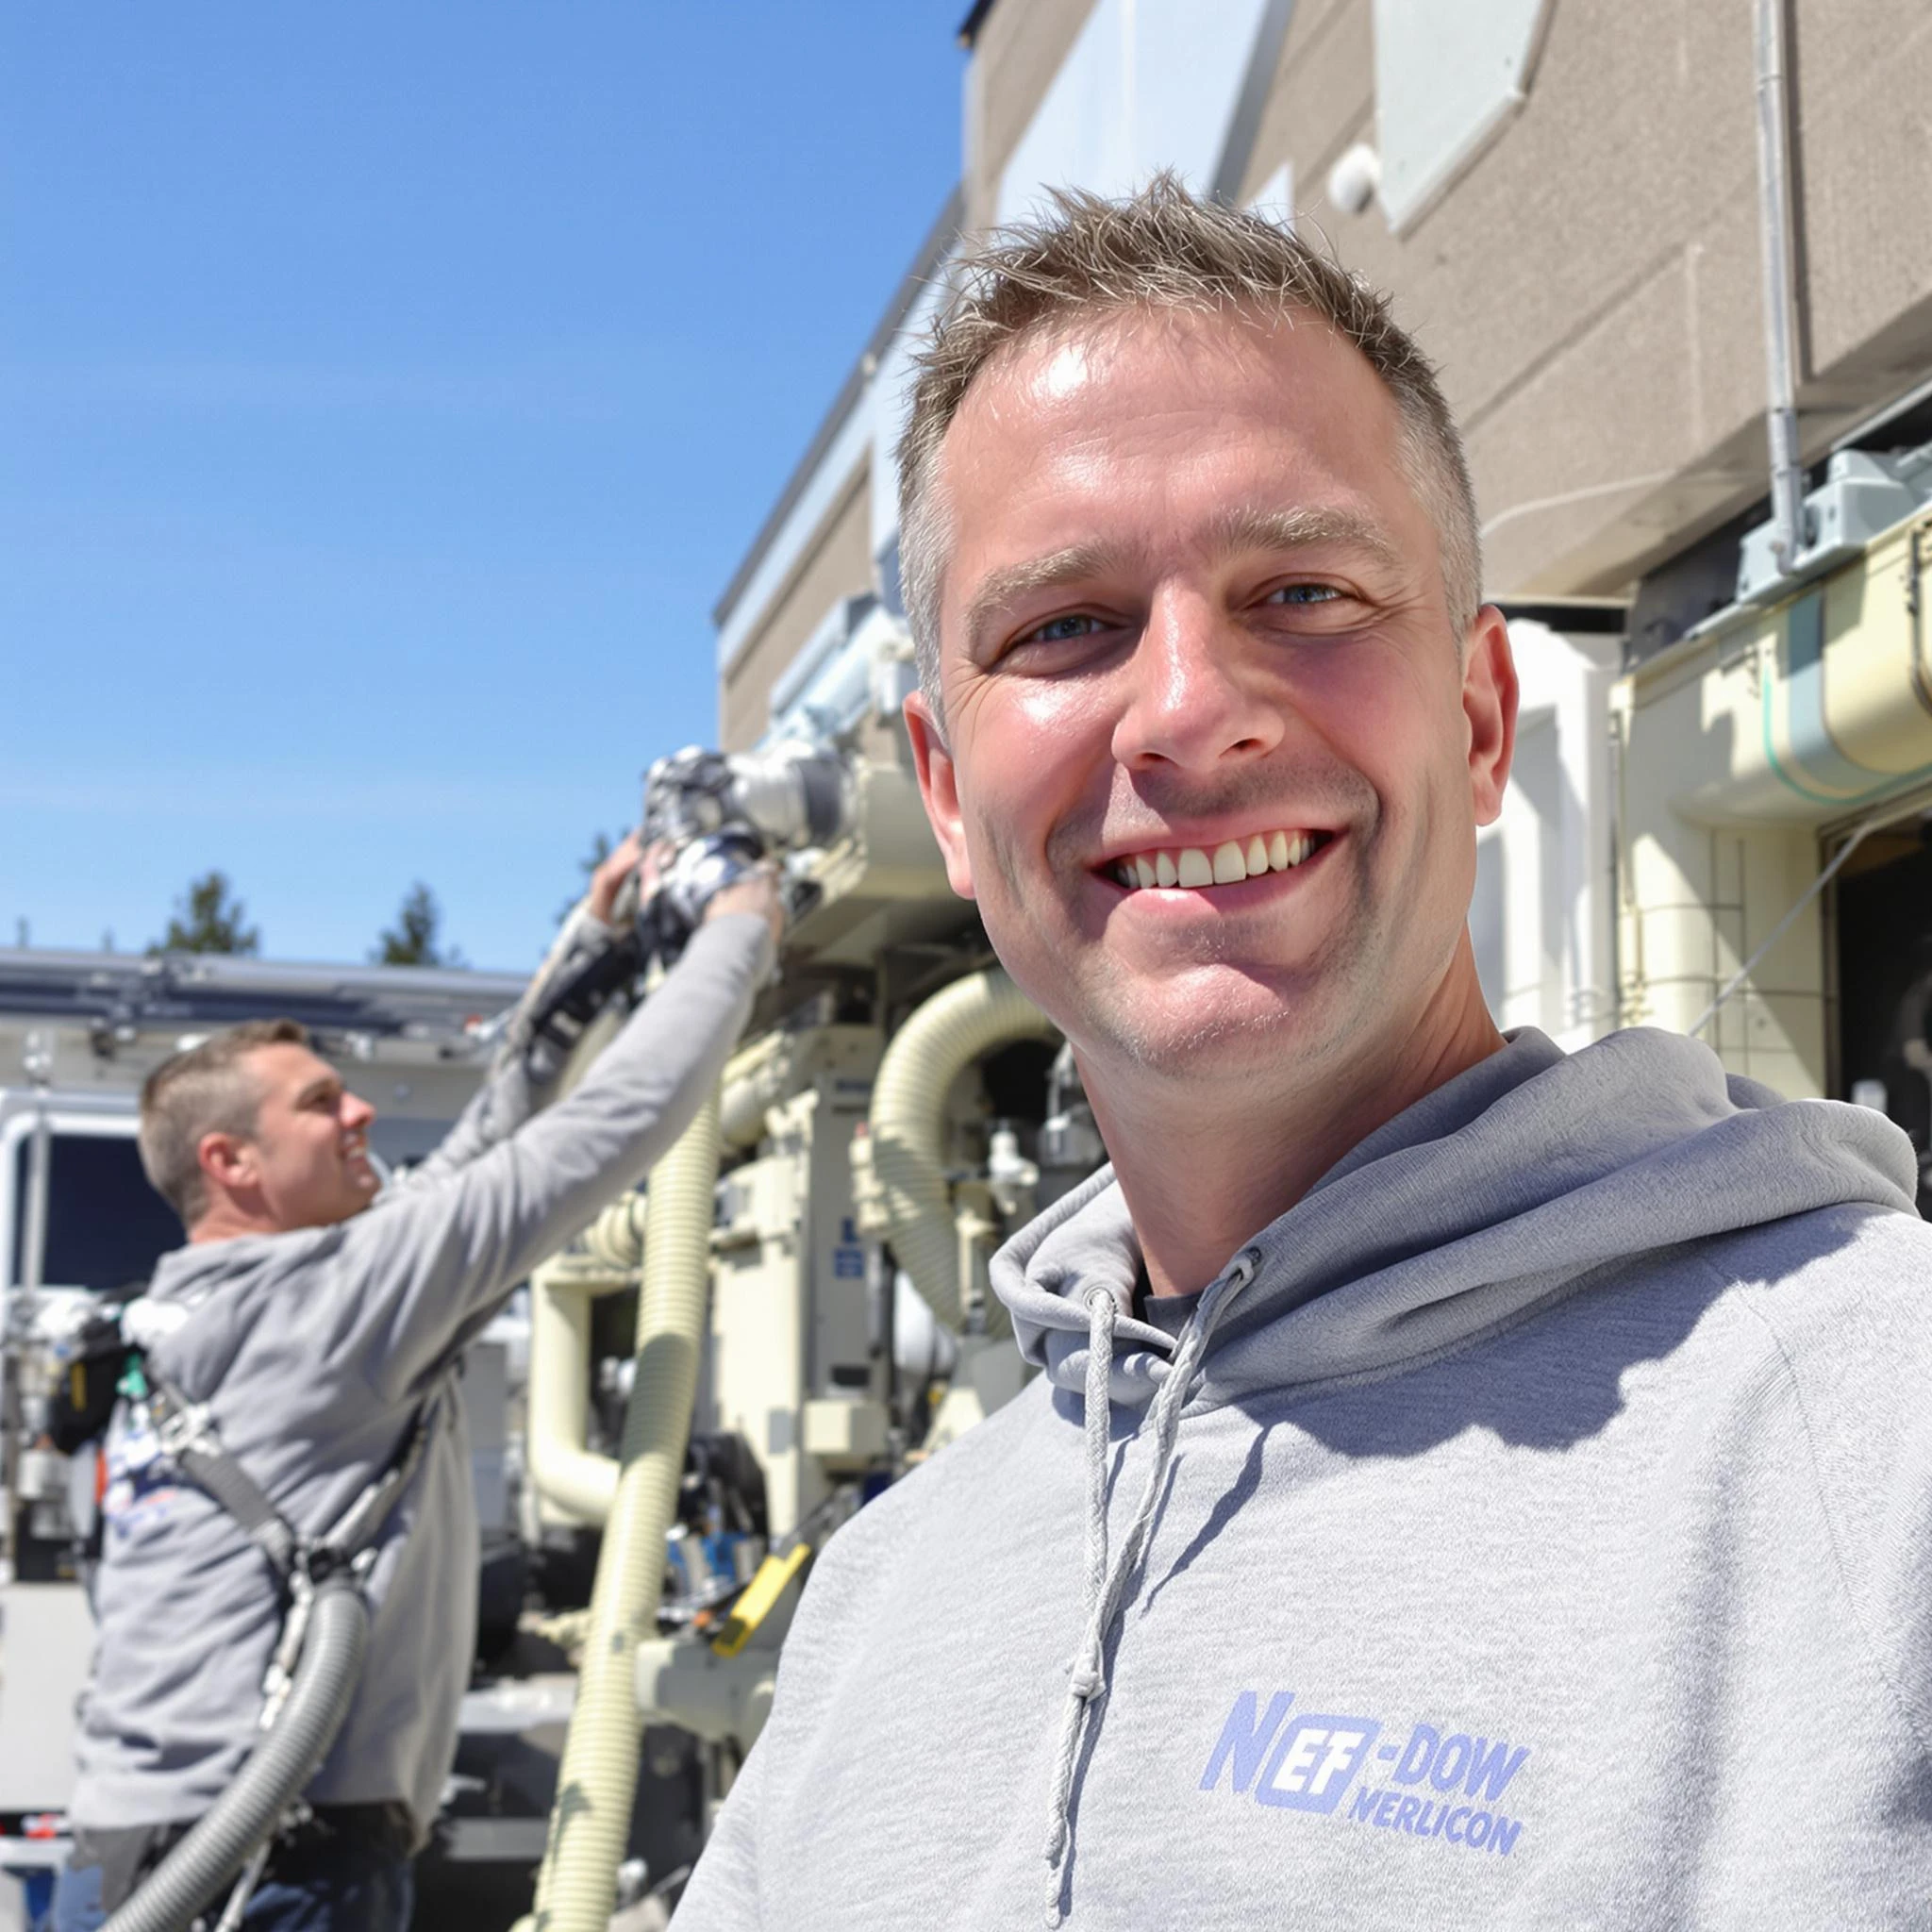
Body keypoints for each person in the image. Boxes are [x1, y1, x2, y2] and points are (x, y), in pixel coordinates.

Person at [673, 179, 1932, 1928]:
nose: (1190, 707)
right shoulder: (886, 1593)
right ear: (947, 799)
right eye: (1061, 627)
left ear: (1479, 721)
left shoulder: (1877, 1430)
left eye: (1305, 589)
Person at [51, 837, 782, 1931]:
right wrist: (739, 927)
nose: (359, 1118)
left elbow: (463, 1166)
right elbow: (602, 1129)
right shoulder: (333, 1300)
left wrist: (588, 950)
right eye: (319, 1103)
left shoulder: (167, 1319)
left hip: (136, 1851)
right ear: (230, 1163)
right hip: (269, 1865)